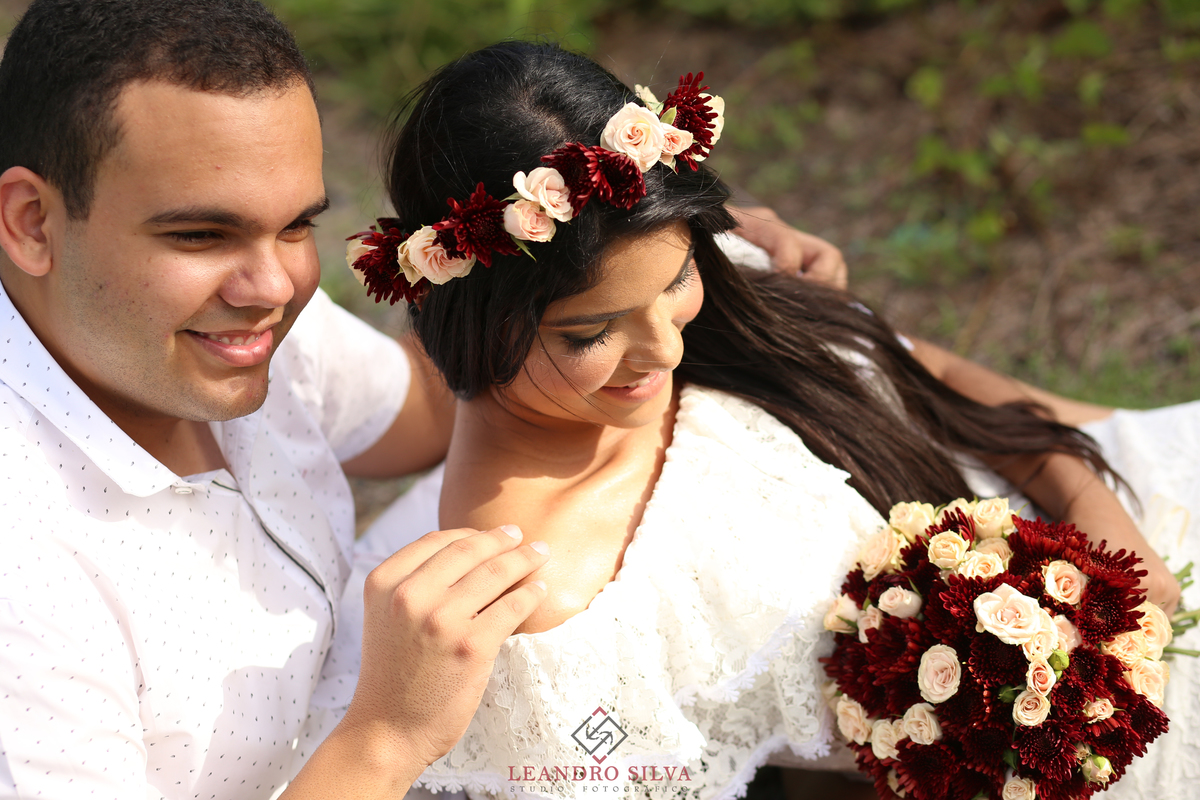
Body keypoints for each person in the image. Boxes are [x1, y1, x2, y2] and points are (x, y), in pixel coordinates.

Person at [0, 3, 839, 797]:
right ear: (32, 222)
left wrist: (626, 255)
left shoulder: (229, 327)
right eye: (199, 235)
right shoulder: (25, 581)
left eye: (295, 226)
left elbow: (425, 409)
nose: (277, 287)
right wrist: (386, 736)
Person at [323, 41, 1199, 800]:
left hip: (1120, 519)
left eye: (674, 285)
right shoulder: (551, 606)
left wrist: (1112, 536)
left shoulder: (695, 281)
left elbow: (945, 386)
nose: (662, 351)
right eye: (590, 333)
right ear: (476, 313)